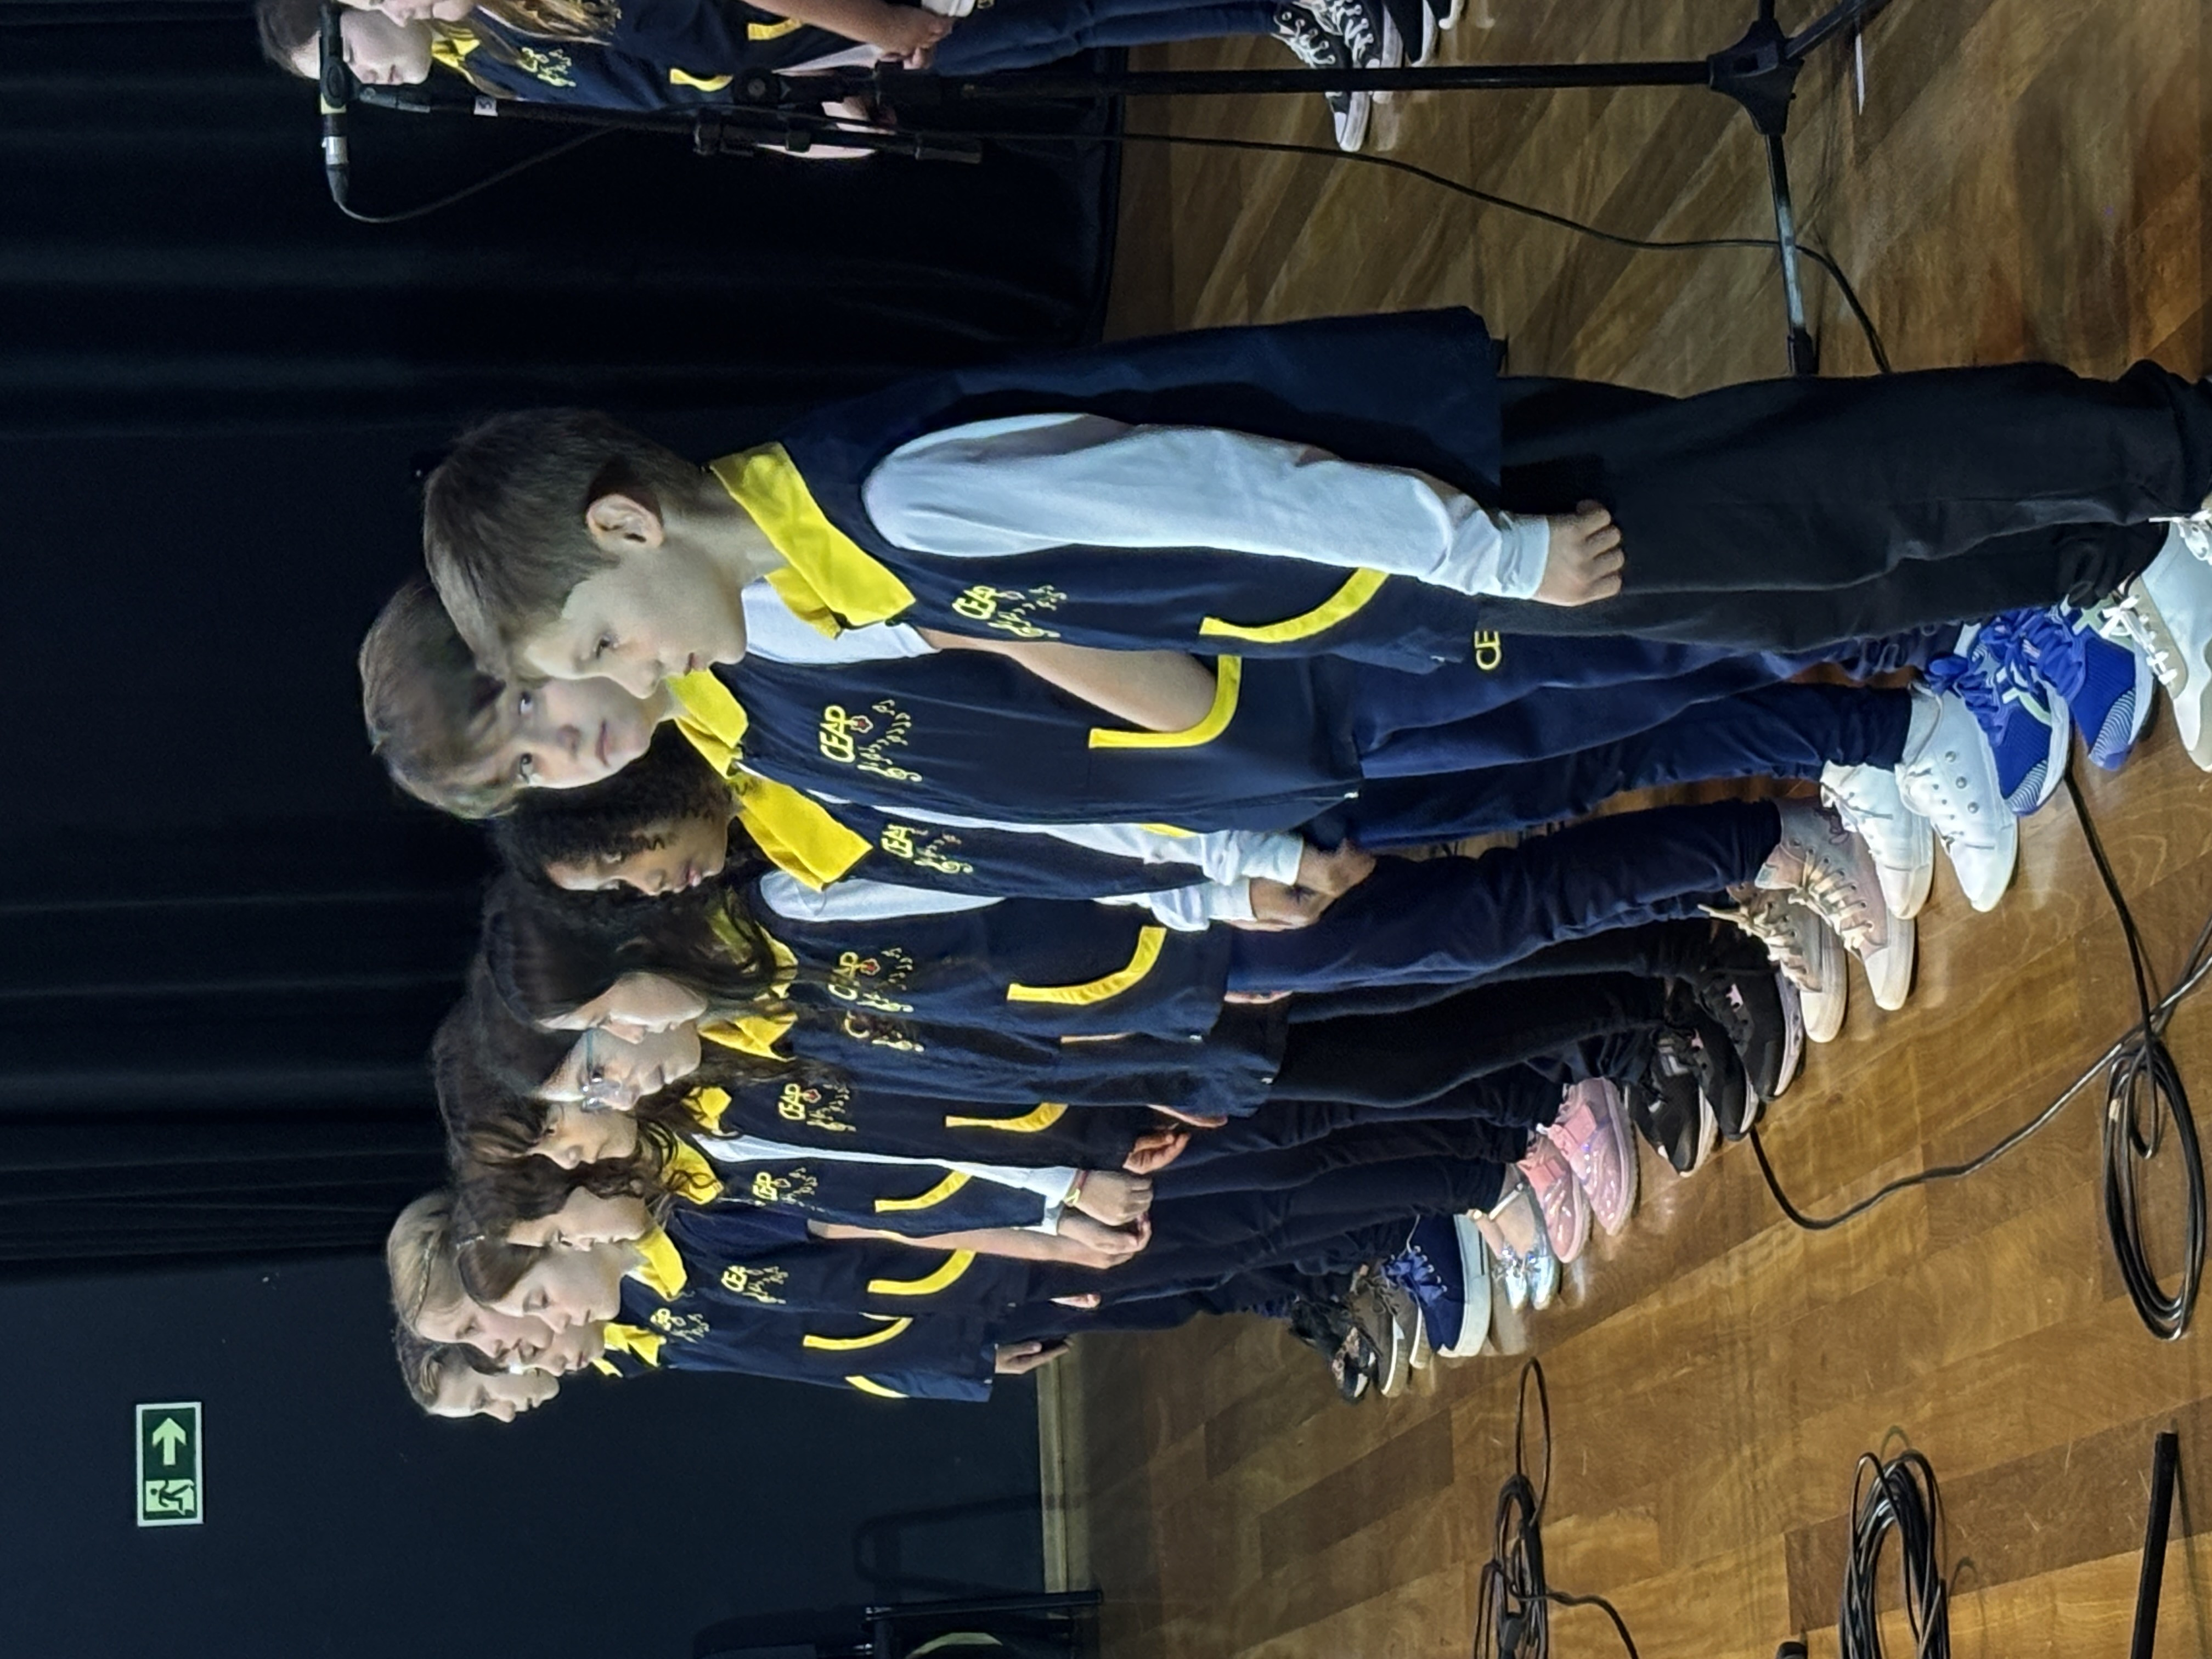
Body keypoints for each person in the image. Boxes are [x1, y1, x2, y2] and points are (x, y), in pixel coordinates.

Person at [411, 310, 2212, 758]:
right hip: (1411, 588)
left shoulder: (892, 497)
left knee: (1823, 499)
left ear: (628, 521)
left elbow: (1216, 486)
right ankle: (2103, 557)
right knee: (1791, 590)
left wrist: (1491, 555)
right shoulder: (828, 577)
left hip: (1461, 523)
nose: (635, 677)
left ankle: (2168, 456)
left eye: (604, 640)